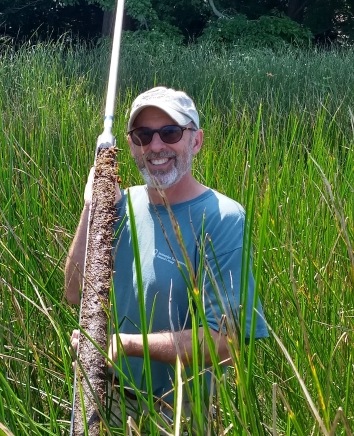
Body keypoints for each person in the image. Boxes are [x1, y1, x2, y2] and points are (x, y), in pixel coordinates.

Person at [65, 86, 268, 430]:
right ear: (131, 145)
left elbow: (225, 342)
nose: (156, 145)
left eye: (170, 132)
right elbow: (74, 293)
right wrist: (92, 207)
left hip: (178, 410)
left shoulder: (224, 218)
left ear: (196, 141)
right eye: (143, 135)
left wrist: (123, 345)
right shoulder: (119, 206)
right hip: (102, 395)